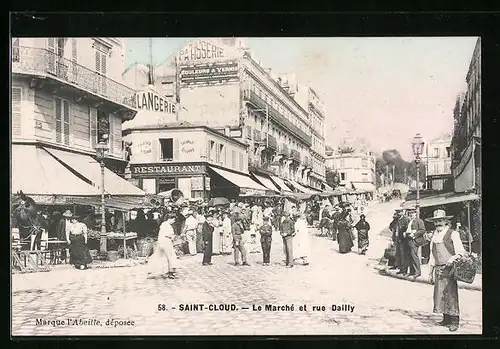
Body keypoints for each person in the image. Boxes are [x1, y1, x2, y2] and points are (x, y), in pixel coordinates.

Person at [427, 209, 466, 332]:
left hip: (450, 269)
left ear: (446, 221)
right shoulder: (434, 235)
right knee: (440, 293)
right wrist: (430, 272)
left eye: (440, 220)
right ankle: (446, 318)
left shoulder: (453, 233)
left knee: (451, 293)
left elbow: (461, 252)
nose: (438, 223)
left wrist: (452, 259)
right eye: (436, 221)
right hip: (438, 269)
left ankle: (454, 321)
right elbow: (432, 255)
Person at [148, 213, 178, 279]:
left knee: (159, 256)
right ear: (170, 219)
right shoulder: (167, 226)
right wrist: (173, 237)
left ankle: (153, 270)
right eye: (173, 220)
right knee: (170, 257)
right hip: (166, 242)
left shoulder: (163, 224)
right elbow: (168, 235)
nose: (174, 221)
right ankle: (170, 272)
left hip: (161, 242)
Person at [403, 207, 426, 280]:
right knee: (410, 256)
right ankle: (412, 271)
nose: (411, 215)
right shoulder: (410, 221)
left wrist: (415, 234)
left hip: (415, 240)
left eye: (412, 213)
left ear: (416, 213)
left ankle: (417, 272)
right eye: (410, 213)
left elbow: (422, 230)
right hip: (409, 240)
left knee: (414, 255)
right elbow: (408, 230)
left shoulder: (419, 221)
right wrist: (405, 233)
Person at [394, 209, 410, 275]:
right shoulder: (398, 219)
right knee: (398, 254)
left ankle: (404, 270)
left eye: (399, 212)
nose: (398, 213)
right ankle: (400, 268)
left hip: (403, 240)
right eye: (397, 212)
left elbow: (407, 229)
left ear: (402, 212)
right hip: (398, 239)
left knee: (403, 254)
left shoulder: (405, 219)